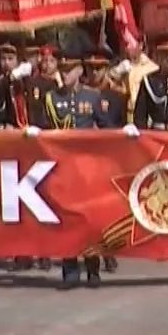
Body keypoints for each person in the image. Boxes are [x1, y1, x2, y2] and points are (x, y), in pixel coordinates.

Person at [34, 49, 128, 289]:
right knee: (67, 219)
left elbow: (106, 127)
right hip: (63, 167)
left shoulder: (92, 97)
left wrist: (122, 134)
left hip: (87, 168)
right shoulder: (51, 98)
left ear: (79, 71)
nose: (64, 74)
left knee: (89, 219)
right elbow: (43, 127)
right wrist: (36, 132)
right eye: (62, 70)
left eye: (69, 70)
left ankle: (93, 268)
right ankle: (70, 270)